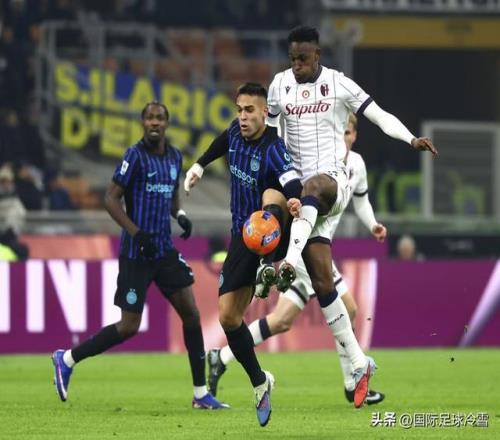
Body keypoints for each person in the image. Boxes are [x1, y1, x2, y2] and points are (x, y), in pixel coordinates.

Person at [263, 25, 437, 405]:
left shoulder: (339, 84)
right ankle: (357, 365)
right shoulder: (278, 86)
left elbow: (379, 115)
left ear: (317, 55)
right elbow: (271, 138)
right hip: (300, 198)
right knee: (325, 285)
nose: (296, 65)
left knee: (313, 188)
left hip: (332, 183)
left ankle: (286, 262)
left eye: (303, 59)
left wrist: (410, 139)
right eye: (292, 59)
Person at [51, 101, 228, 410]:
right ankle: (66, 359)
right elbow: (110, 199)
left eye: (159, 118)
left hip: (163, 250)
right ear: (142, 123)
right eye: (149, 118)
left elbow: (171, 195)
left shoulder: (174, 157)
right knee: (129, 326)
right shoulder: (134, 156)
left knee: (191, 314)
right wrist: (136, 233)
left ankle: (200, 393)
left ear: (167, 123)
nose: (154, 122)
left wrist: (180, 215)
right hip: (136, 253)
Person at [206, 113, 386, 405]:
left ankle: (221, 357)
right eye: (339, 131)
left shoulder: (356, 165)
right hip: (303, 246)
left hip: (318, 244)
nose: (343, 137)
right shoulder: (314, 161)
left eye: (348, 132)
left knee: (281, 321)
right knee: (350, 308)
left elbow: (362, 200)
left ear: (354, 135)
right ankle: (353, 380)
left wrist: (373, 224)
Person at [184, 82, 303, 427]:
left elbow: (291, 179)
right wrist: (200, 165)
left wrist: (295, 197)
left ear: (265, 112)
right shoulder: (236, 132)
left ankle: (267, 266)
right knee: (228, 318)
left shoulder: (273, 147)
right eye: (239, 110)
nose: (243, 117)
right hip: (241, 236)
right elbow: (222, 140)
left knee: (272, 195)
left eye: (250, 110)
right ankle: (260, 382)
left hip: (271, 230)